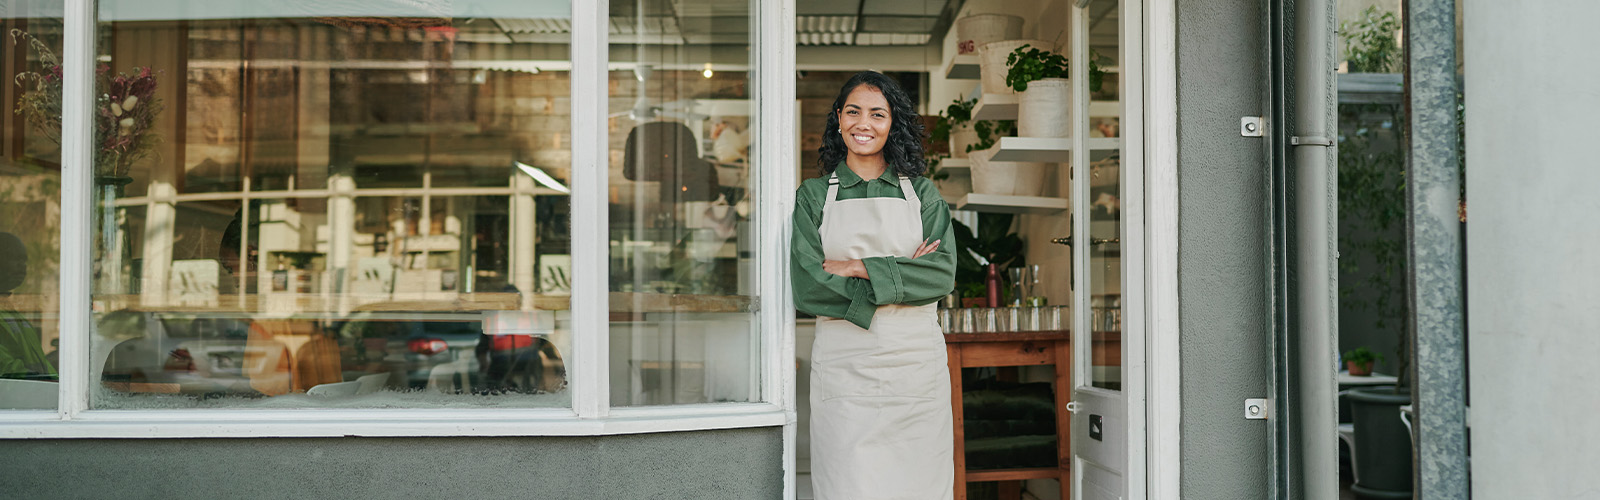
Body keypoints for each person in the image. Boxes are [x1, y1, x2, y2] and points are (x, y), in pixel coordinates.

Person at [792, 71, 958, 500]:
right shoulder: (812, 196)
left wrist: (855, 266)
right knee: (848, 483)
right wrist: (901, 275)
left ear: (892, 124)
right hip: (846, 370)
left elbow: (941, 274)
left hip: (914, 369)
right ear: (838, 118)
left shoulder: (923, 194)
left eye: (877, 114)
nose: (863, 123)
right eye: (854, 111)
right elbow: (808, 286)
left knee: (918, 483)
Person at [0, 232, 55, 380]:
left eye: (24, 260)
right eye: (14, 258)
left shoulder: (11, 310)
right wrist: (42, 378)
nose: (22, 266)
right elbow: (6, 367)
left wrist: (56, 379)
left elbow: (40, 363)